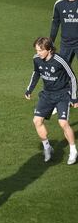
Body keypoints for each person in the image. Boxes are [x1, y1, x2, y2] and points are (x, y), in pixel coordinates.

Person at [25, 37, 78, 165]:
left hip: (62, 94)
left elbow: (72, 77)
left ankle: (73, 150)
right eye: (37, 50)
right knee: (37, 121)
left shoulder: (60, 60)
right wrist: (29, 89)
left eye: (40, 50)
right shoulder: (36, 59)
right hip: (47, 95)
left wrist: (74, 97)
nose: (38, 53)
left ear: (49, 50)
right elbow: (36, 73)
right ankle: (47, 148)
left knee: (63, 123)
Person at [50, 0, 78, 64]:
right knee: (62, 70)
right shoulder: (59, 4)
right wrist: (51, 41)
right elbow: (55, 24)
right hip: (66, 44)